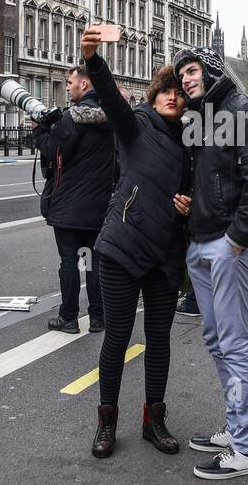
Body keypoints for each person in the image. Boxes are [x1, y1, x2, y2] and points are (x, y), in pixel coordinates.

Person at [80, 28, 189, 458]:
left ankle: (154, 419)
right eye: (166, 90)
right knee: (118, 338)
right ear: (154, 93)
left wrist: (191, 205)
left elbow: (208, 190)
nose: (172, 97)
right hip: (122, 247)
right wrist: (94, 60)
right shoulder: (136, 125)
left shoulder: (193, 143)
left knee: (158, 340)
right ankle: (107, 421)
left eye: (180, 93)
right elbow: (110, 99)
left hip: (164, 252)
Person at [174, 47, 248, 480]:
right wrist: (192, 204)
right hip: (202, 240)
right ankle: (235, 427)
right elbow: (216, 178)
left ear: (212, 71)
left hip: (227, 246)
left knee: (234, 344)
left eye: (192, 71)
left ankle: (246, 448)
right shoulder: (202, 117)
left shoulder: (242, 108)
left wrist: (238, 238)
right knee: (217, 341)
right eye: (181, 76)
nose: (185, 80)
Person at [34, 64, 116, 334]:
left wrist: (41, 131)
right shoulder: (111, 117)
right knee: (91, 262)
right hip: (98, 206)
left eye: (70, 82)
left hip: (69, 206)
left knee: (69, 261)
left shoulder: (72, 117)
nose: (67, 87)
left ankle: (68, 317)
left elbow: (55, 152)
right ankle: (97, 317)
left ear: (85, 84)